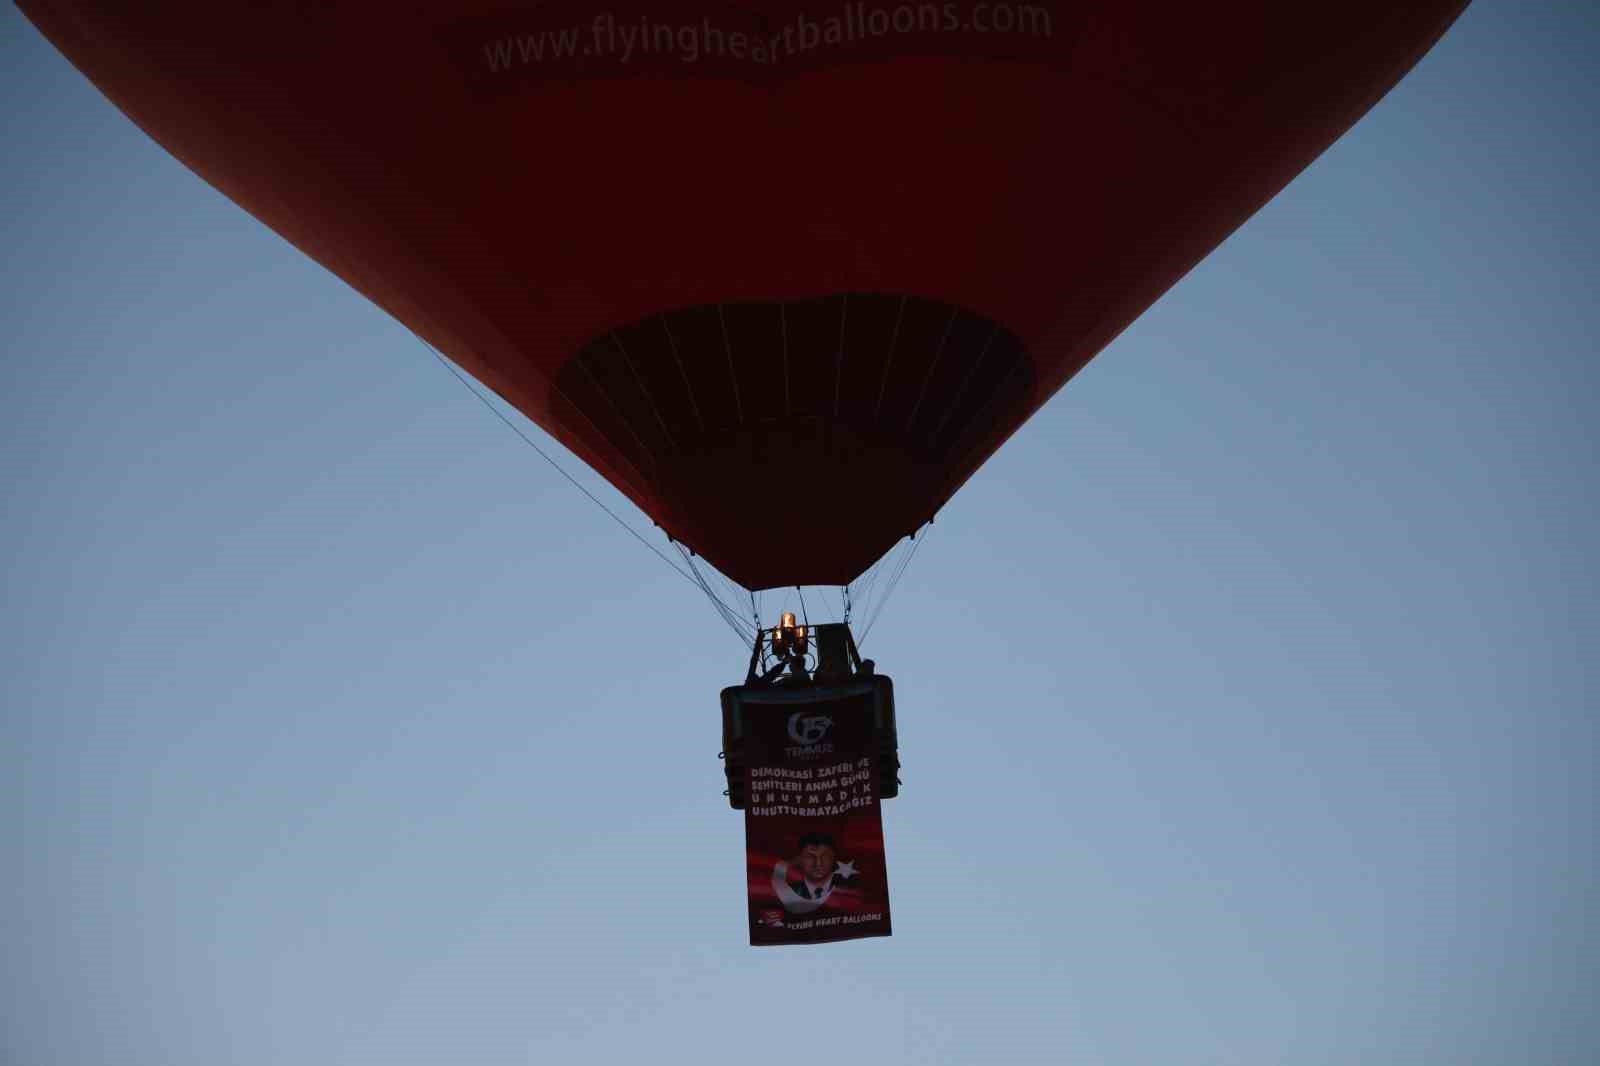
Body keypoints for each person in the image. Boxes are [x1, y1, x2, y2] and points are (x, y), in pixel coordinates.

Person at [770, 832, 851, 914]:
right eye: (810, 857)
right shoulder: (788, 893)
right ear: (799, 860)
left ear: (833, 858)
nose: (818, 863)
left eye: (825, 856)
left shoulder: (847, 892)